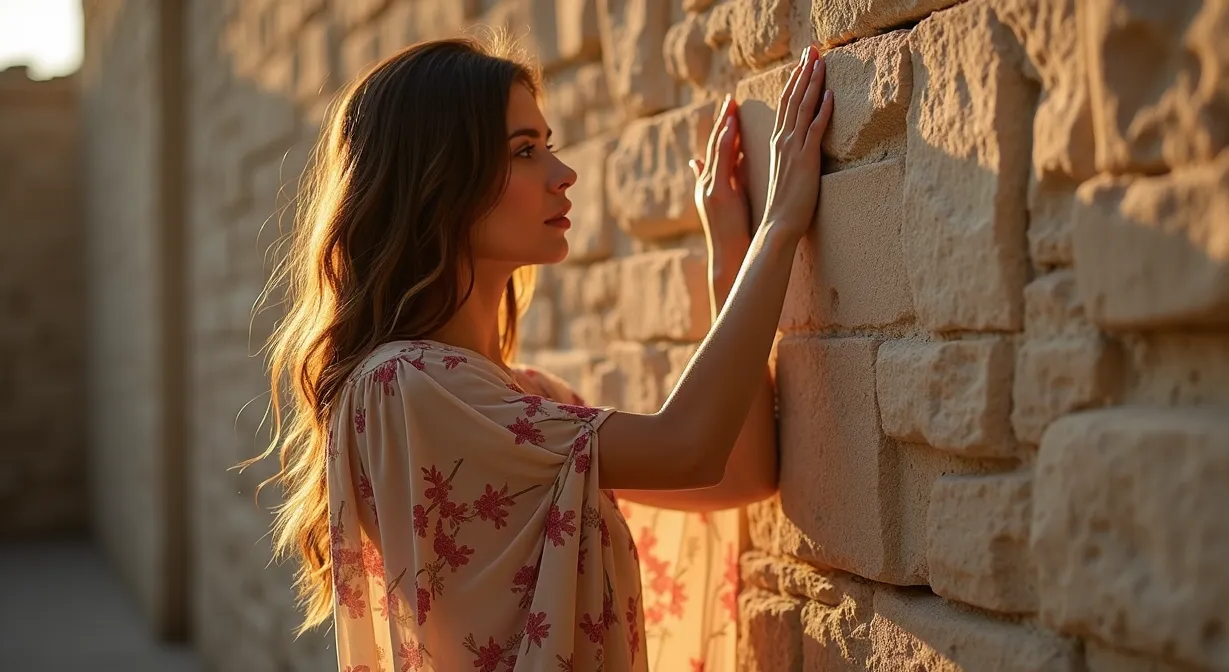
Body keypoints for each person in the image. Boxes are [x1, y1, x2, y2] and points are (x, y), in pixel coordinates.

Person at [248, 30, 832, 672]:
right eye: (525, 151)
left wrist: (731, 262)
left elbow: (737, 474)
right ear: (438, 179)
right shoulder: (406, 386)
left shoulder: (527, 398)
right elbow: (688, 445)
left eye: (548, 145)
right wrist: (778, 229)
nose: (564, 174)